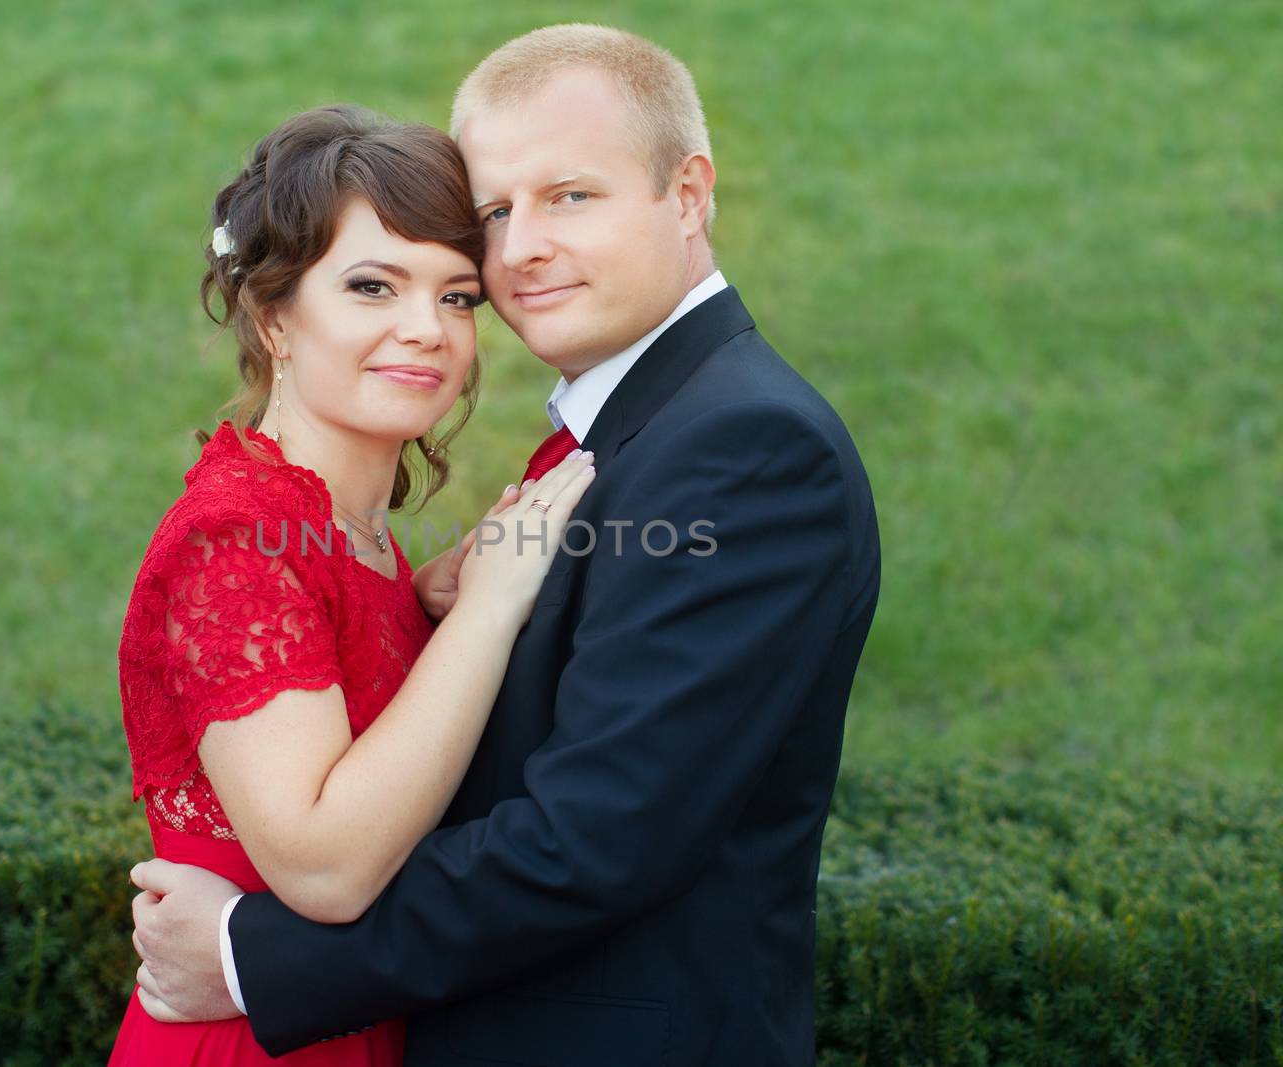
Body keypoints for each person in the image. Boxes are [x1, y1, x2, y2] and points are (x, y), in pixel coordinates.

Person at [130, 24, 882, 1067]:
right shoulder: (632, 433)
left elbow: (598, 833)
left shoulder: (742, 448)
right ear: (273, 319)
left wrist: (250, 954)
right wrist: (468, 604)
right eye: (495, 211)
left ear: (689, 193)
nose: (520, 246)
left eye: (570, 194)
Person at [107, 104, 596, 1066]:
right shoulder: (239, 536)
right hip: (253, 1038)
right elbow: (325, 866)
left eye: (458, 297)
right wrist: (491, 608)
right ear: (271, 316)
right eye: (374, 286)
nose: (427, 331)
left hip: (351, 1016)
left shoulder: (347, 533)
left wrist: (421, 608)